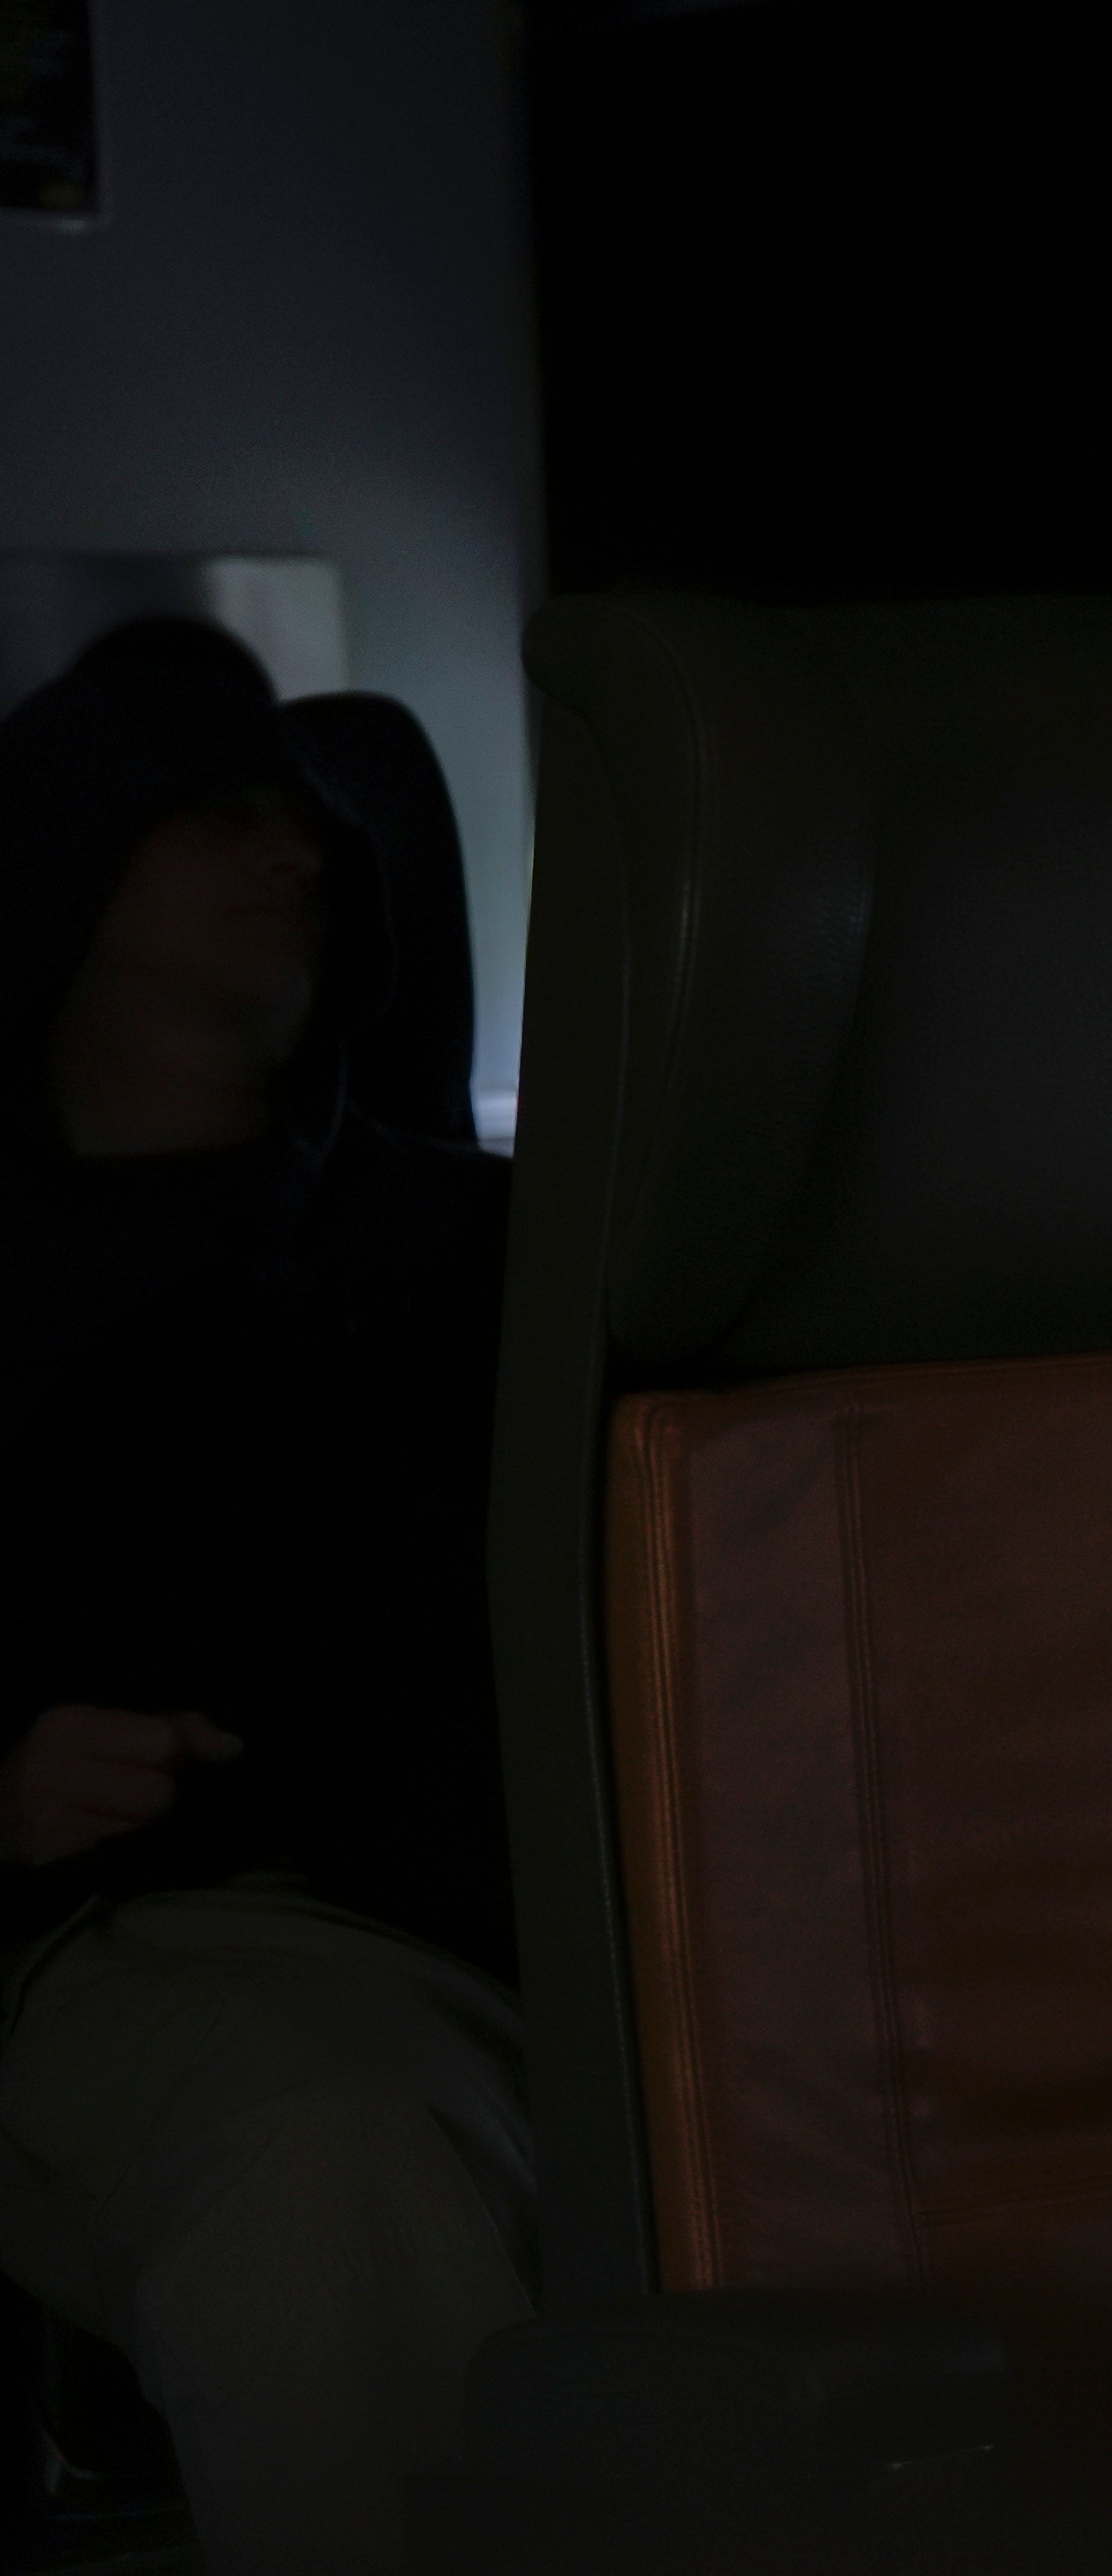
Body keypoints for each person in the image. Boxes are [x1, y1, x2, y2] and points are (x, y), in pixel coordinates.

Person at [0, 621, 527, 2575]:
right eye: (209, 817)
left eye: (297, 819)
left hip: (543, 1912)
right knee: (328, 2165)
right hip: (169, 1934)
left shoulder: (483, 1252)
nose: (288, 851)